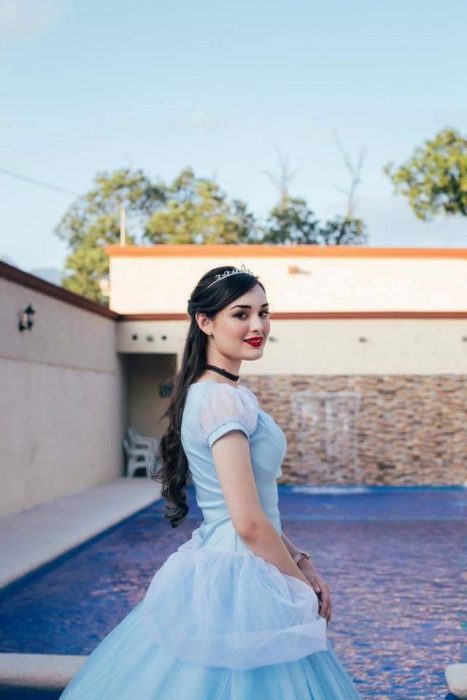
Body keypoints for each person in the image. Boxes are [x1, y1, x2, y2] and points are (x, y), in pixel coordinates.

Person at [60, 264, 363, 699]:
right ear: (205, 322)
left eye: (264, 312)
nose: (258, 325)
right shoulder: (220, 399)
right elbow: (247, 522)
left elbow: (251, 508)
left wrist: (301, 559)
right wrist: (298, 591)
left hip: (240, 564)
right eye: (241, 314)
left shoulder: (227, 394)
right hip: (243, 576)